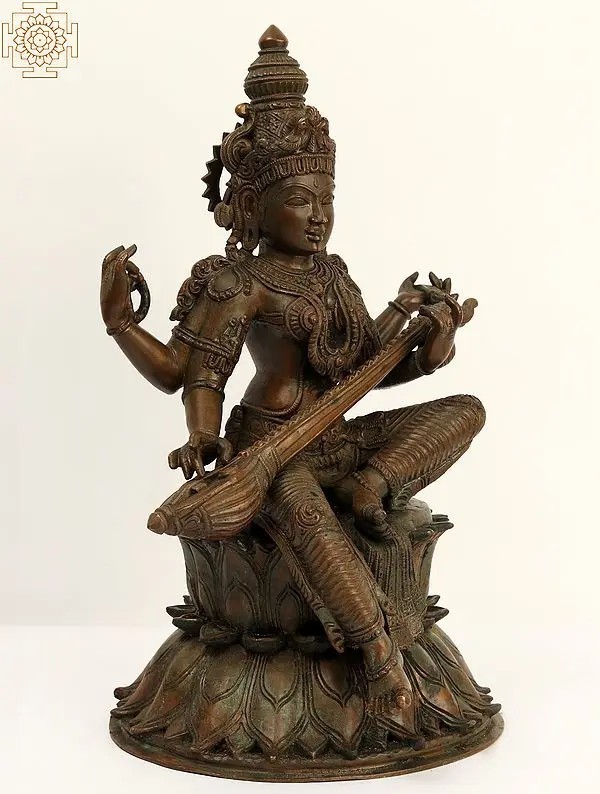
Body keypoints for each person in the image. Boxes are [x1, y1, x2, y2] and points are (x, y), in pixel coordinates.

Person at [100, 25, 484, 711]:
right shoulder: (239, 282)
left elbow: (364, 372)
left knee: (466, 411)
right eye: (300, 200)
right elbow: (194, 375)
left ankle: (371, 485)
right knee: (311, 526)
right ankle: (380, 661)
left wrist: (430, 342)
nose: (318, 217)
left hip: (341, 439)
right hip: (274, 449)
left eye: (325, 199)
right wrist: (134, 340)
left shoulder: (332, 274)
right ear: (253, 205)